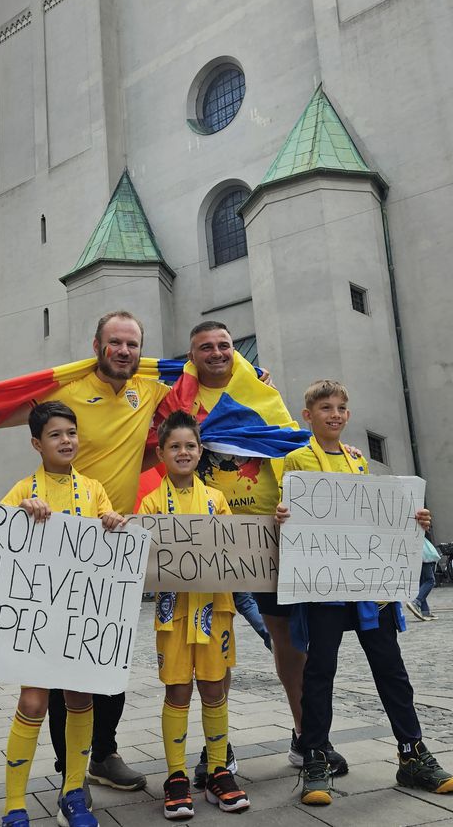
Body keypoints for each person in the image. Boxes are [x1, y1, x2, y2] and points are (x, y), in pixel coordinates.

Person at [0, 311, 164, 792]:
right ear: (97, 344)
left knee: (108, 663)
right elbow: (3, 410)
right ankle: (68, 770)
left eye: (132, 343)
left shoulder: (151, 385)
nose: (124, 351)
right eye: (115, 342)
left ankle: (101, 754)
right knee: (57, 676)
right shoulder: (68, 390)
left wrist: (251, 378)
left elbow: (204, 388)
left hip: (109, 546)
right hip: (56, 551)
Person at [154, 321, 347, 775]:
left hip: (269, 531)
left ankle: (307, 737)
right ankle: (215, 751)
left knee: (286, 638)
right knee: (206, 644)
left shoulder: (260, 390)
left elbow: (290, 443)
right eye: (206, 347)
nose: (217, 353)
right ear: (192, 354)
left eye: (224, 345)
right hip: (206, 533)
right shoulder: (176, 395)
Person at [279, 379, 453, 805]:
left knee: (391, 668)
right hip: (323, 584)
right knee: (320, 671)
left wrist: (412, 518)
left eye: (341, 407)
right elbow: (292, 512)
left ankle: (412, 753)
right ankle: (316, 757)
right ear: (308, 416)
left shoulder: (358, 461)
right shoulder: (295, 460)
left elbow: (371, 516)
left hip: (367, 585)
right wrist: (284, 514)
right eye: (326, 408)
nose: (335, 414)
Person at [0, 401, 125, 827]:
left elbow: (108, 528)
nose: (66, 440)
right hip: (37, 616)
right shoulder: (22, 490)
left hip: (81, 615)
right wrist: (19, 514)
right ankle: (14, 805)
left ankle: (73, 793)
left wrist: (112, 522)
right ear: (37, 443)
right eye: (55, 434)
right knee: (33, 702)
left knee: (79, 698)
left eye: (71, 432)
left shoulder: (93, 489)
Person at [140, 411, 268, 818]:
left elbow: (235, 551)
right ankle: (175, 775)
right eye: (174, 446)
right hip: (172, 612)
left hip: (216, 609)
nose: (183, 452)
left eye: (190, 446)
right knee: (177, 691)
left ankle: (218, 770)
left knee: (215, 688)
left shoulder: (216, 500)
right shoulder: (150, 502)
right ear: (161, 452)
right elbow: (142, 556)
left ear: (200, 452)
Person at [407, 525, 439, 621]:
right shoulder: (418, 519)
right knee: (430, 580)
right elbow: (426, 529)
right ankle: (416, 603)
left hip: (414, 552)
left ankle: (425, 611)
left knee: (422, 582)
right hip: (422, 553)